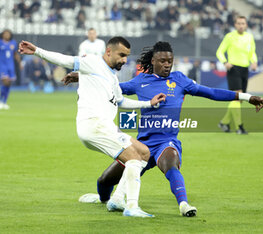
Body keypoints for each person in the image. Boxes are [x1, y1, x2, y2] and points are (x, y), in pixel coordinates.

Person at [63, 42, 263, 217]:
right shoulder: (141, 81)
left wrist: (246, 97)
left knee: (171, 163)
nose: (167, 65)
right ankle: (102, 199)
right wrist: (80, 77)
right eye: (162, 61)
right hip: (141, 145)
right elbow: (109, 85)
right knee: (105, 180)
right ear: (152, 61)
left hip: (165, 142)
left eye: (169, 61)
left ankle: (184, 205)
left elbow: (211, 92)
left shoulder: (180, 80)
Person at [18, 37, 167, 218]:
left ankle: (118, 199)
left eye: (127, 56)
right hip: (94, 124)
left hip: (104, 125)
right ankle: (132, 207)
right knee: (133, 158)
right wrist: (37, 51)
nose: (124, 60)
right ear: (108, 52)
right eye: (121, 55)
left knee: (144, 152)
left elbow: (120, 101)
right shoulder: (92, 62)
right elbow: (65, 60)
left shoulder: (112, 75)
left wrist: (148, 104)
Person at [216, 16, 258, 134]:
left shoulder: (249, 37)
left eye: (243, 23)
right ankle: (239, 127)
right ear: (235, 25)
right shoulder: (230, 37)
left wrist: (254, 61)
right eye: (239, 23)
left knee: (239, 100)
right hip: (233, 69)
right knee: (238, 96)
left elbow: (252, 52)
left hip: (245, 69)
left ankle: (224, 122)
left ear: (246, 25)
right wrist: (225, 62)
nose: (241, 25)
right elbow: (219, 51)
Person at [0, 29, 22, 110]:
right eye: (5, 33)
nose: (7, 35)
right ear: (2, 35)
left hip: (10, 66)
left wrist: (20, 63)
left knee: (9, 84)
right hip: (2, 66)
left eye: (8, 33)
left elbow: (15, 54)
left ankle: (4, 101)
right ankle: (0, 100)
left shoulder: (13, 43)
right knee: (5, 81)